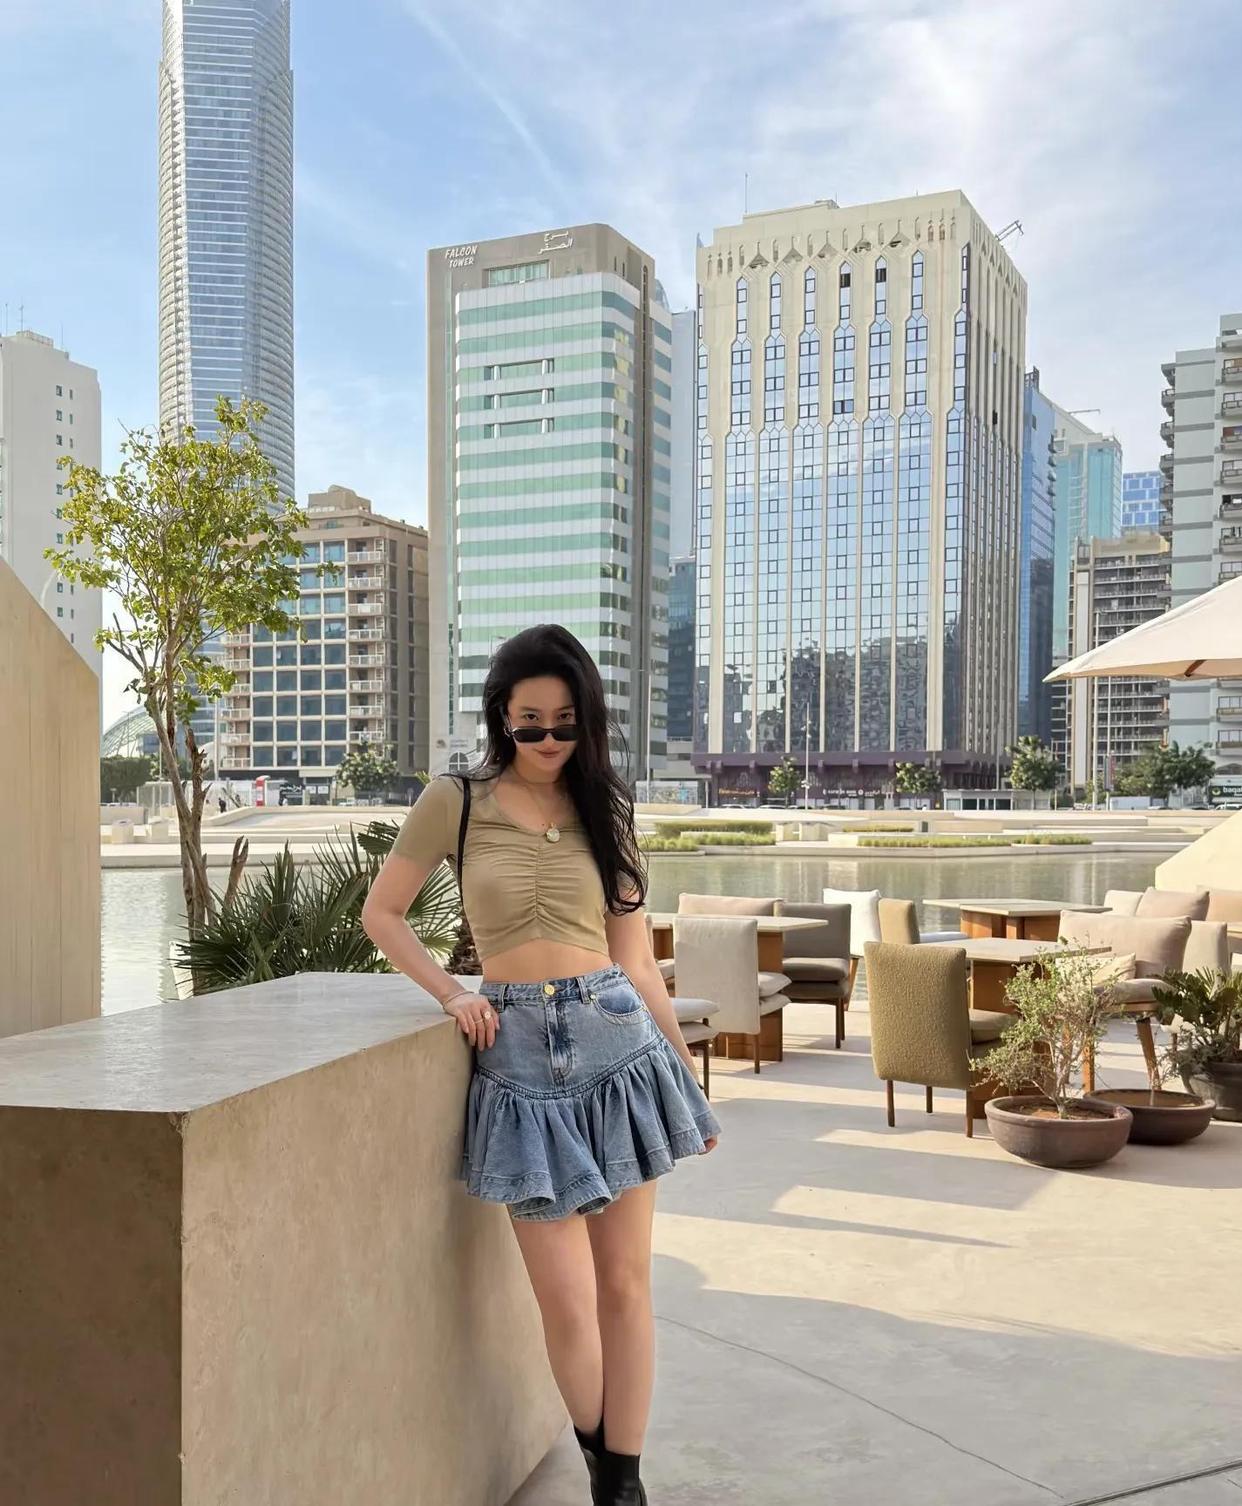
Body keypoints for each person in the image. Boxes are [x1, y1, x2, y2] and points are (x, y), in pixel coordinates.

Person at [362, 624, 720, 1505]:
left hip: (618, 1045)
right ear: (501, 717)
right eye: (531, 723)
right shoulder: (454, 800)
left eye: (565, 722)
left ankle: (621, 1486)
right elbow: (383, 914)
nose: (549, 739)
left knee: (625, 1287)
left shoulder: (606, 807)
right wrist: (452, 993)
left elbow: (637, 963)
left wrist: (685, 1077)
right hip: (517, 1061)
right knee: (563, 1299)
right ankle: (605, 1464)